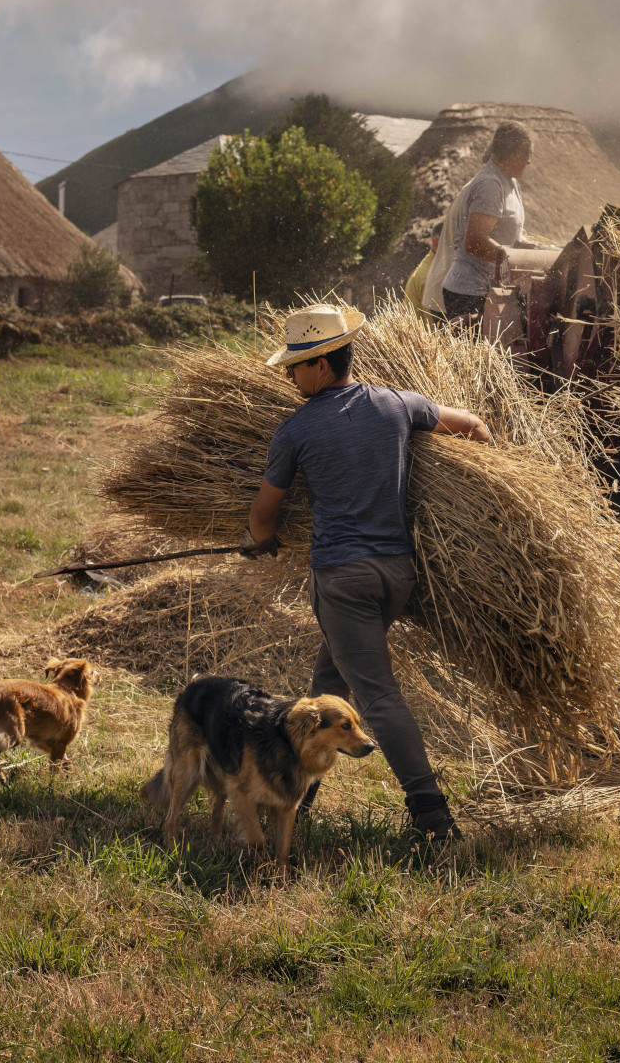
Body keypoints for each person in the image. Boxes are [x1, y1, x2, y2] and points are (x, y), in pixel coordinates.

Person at [242, 302, 494, 843]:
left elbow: (263, 516)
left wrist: (260, 544)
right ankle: (298, 794)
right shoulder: (397, 405)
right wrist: (480, 504)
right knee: (326, 685)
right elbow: (473, 426)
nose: (289, 376)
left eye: (296, 365)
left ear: (323, 366)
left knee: (376, 698)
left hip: (343, 581)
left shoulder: (297, 430)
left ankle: (432, 817)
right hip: (397, 577)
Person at [438, 121, 537, 323]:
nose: (529, 161)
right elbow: (474, 241)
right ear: (518, 152)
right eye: (529, 154)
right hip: (469, 292)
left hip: (488, 288)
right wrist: (515, 259)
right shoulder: (490, 185)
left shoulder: (510, 182)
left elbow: (512, 236)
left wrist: (537, 249)